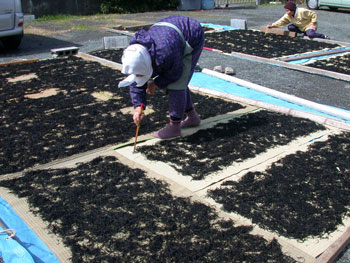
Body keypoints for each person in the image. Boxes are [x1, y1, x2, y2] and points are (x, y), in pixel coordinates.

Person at [118, 15, 205, 139]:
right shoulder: (135, 55)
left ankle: (174, 127)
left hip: (191, 34)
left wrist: (156, 83)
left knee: (177, 83)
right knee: (176, 81)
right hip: (171, 33)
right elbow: (136, 82)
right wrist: (138, 107)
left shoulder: (164, 55)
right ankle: (192, 117)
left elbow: (175, 72)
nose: (138, 76)